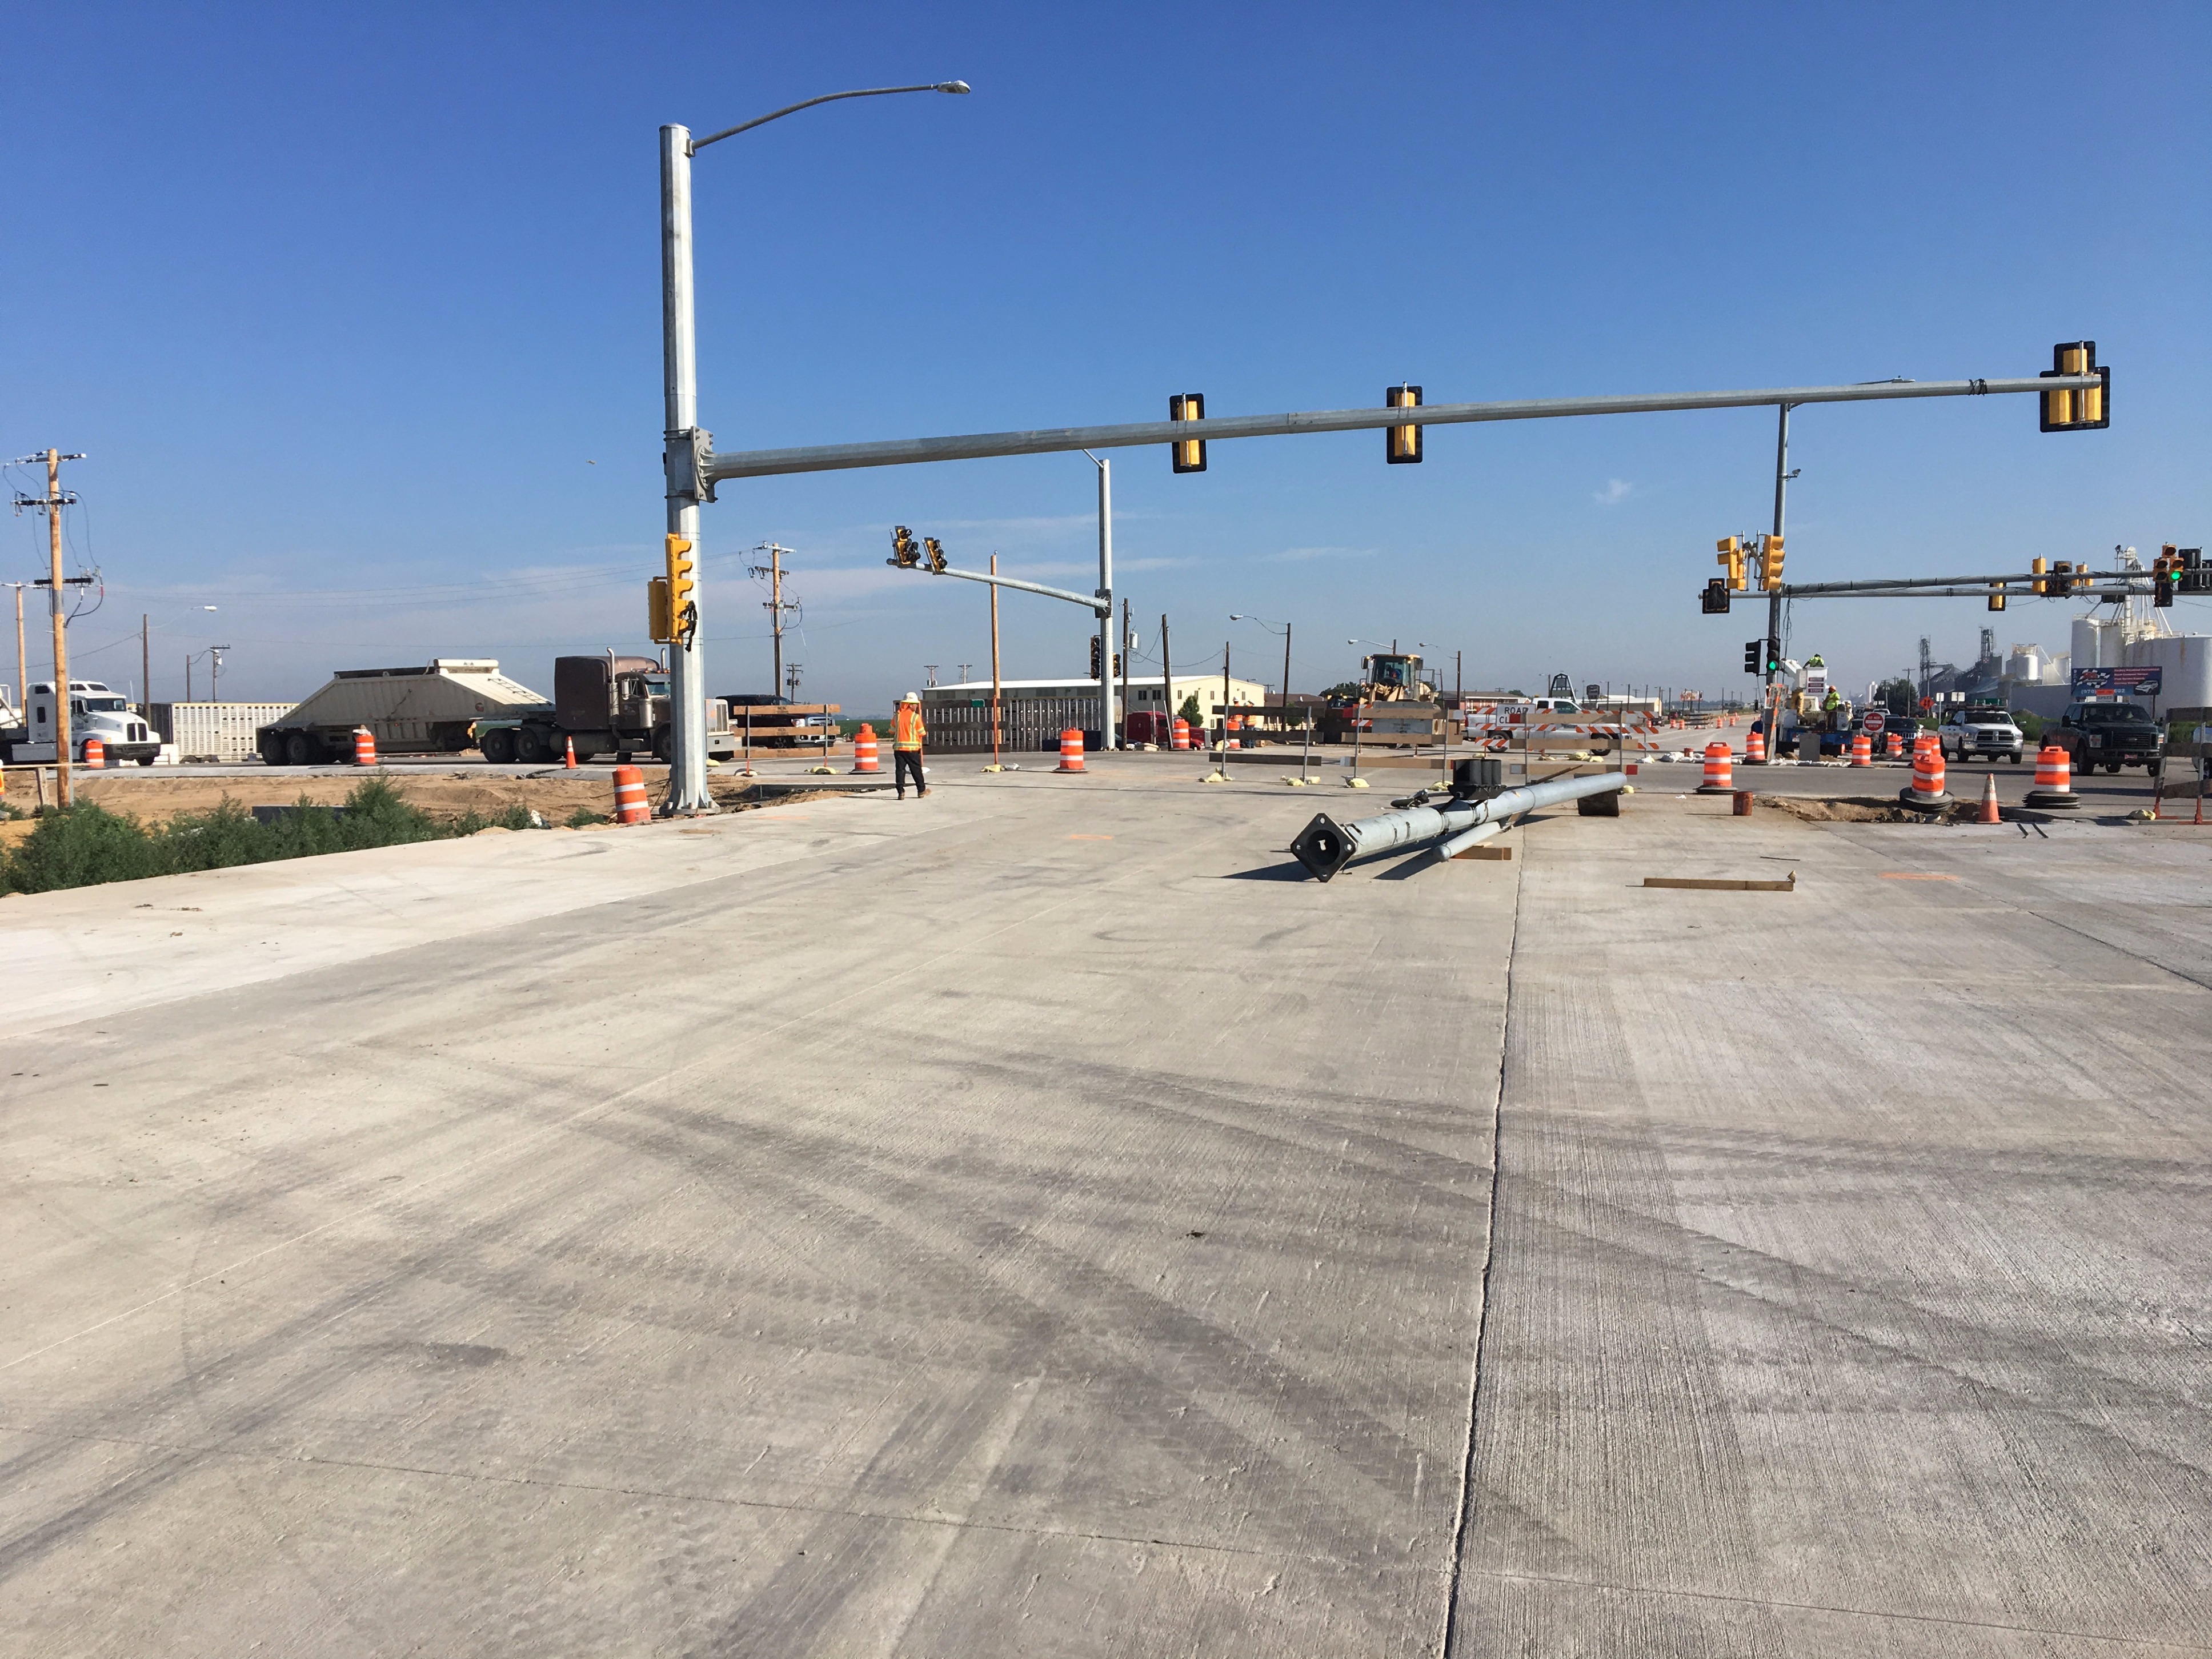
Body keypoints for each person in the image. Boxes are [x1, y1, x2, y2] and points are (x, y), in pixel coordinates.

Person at [893, 691, 928, 799]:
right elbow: (922, 733)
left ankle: (900, 792)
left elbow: (892, 730)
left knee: (900, 770)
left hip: (899, 749)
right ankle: (921, 791)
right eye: (915, 704)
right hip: (912, 749)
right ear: (910, 704)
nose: (916, 706)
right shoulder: (916, 717)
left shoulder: (897, 716)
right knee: (916, 770)